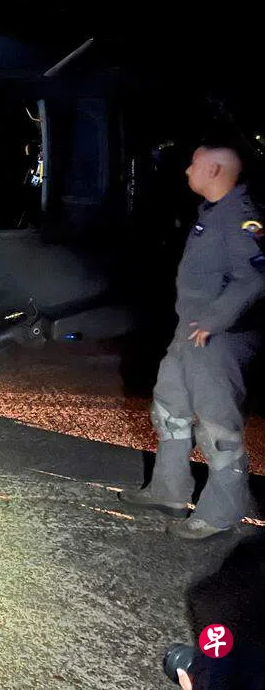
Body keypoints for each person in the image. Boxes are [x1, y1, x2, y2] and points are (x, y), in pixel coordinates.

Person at [120, 145, 265, 539]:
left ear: (215, 170)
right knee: (170, 411)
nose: (187, 171)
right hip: (190, 331)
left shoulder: (239, 216)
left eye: (194, 165)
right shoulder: (212, 212)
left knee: (219, 431)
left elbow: (253, 277)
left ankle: (221, 514)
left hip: (219, 338)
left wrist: (215, 320)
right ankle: (169, 492)